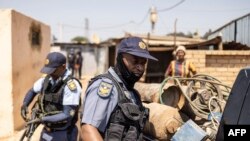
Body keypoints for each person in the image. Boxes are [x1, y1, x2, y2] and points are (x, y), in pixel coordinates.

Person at [81, 37, 158, 140]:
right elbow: (88, 129)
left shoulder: (132, 93)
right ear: (120, 58)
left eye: (143, 63)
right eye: (135, 61)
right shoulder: (107, 87)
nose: (140, 67)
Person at [21, 52, 82, 141]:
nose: (50, 73)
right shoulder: (46, 80)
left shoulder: (71, 86)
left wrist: (42, 119)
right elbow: (32, 91)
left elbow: (67, 114)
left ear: (63, 67)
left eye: (53, 70)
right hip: (47, 130)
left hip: (63, 133)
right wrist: (25, 104)